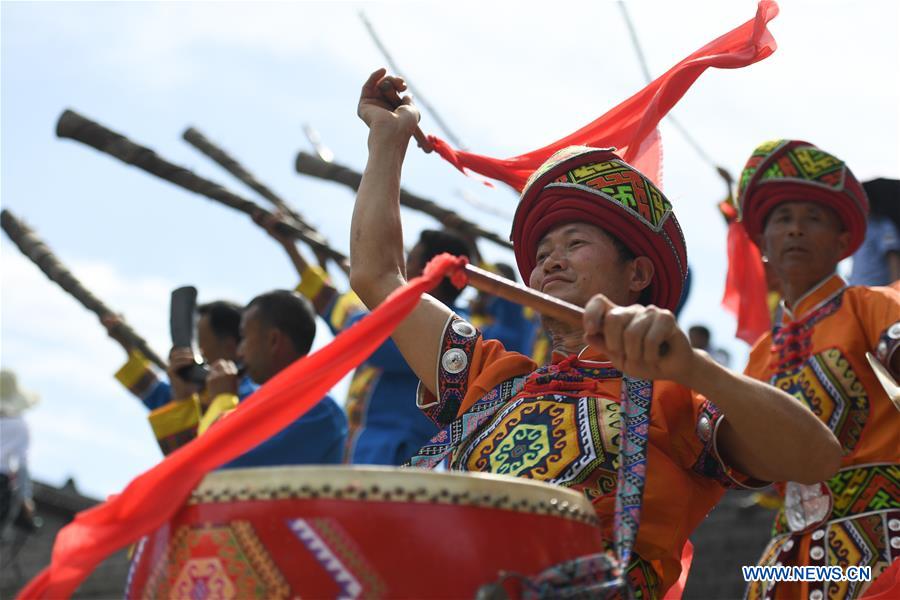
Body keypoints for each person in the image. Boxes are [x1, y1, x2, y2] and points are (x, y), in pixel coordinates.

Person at [348, 69, 841, 597]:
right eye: (540, 255)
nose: (550, 262)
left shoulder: (675, 394)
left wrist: (696, 368)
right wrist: (387, 141)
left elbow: (816, 458)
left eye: (574, 243)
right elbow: (378, 278)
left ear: (638, 274)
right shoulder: (492, 380)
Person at [734, 140, 900, 600]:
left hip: (883, 546)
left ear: (844, 241)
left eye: (813, 219)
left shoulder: (874, 305)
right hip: (785, 558)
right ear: (763, 244)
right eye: (782, 220)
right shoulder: (761, 353)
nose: (796, 231)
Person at [256, 212, 474, 465]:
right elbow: (333, 304)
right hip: (365, 452)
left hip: (391, 457)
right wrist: (291, 246)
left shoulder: (443, 327)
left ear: (432, 273)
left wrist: (367, 281)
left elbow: (356, 325)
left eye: (410, 260)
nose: (402, 268)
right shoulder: (409, 317)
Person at [849, 177, 900, 287]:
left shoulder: (883, 226)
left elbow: (893, 259)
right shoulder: (860, 228)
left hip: (877, 293)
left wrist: (894, 292)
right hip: (858, 291)